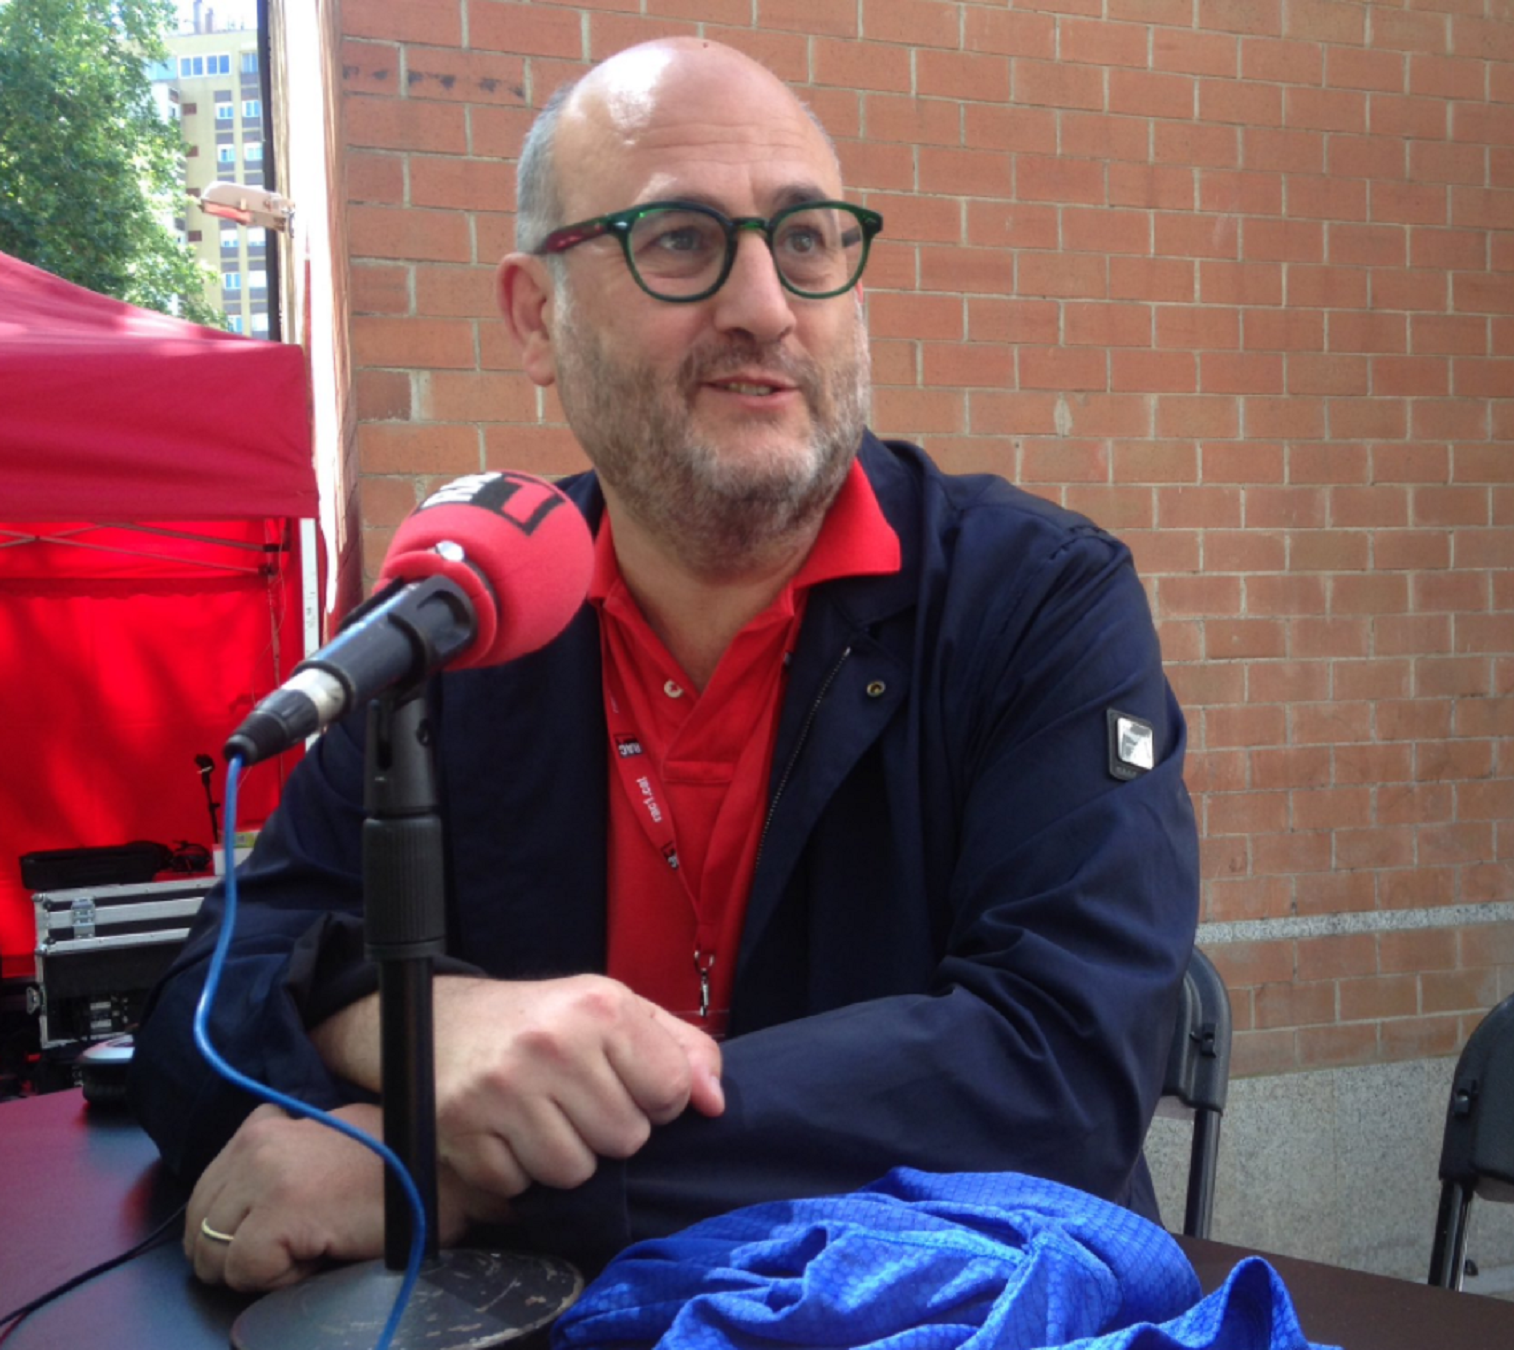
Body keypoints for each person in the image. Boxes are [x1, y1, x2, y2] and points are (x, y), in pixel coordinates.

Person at [130, 36, 1200, 1292]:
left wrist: (454, 1170)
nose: (766, 306)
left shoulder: (1038, 602)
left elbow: (1064, 1069)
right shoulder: (465, 619)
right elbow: (201, 1002)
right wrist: (411, 1027)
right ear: (536, 315)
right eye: (681, 241)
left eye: (806, 240)